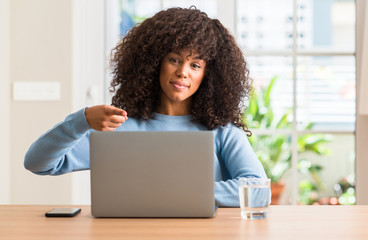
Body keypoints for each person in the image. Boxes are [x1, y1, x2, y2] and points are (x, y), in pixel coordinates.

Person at [24, 7, 267, 207]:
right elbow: (38, 163)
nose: (183, 72)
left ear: (208, 74)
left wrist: (181, 192)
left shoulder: (221, 131)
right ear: (154, 63)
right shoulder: (118, 126)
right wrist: (82, 120)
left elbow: (257, 190)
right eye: (175, 59)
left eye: (195, 65)